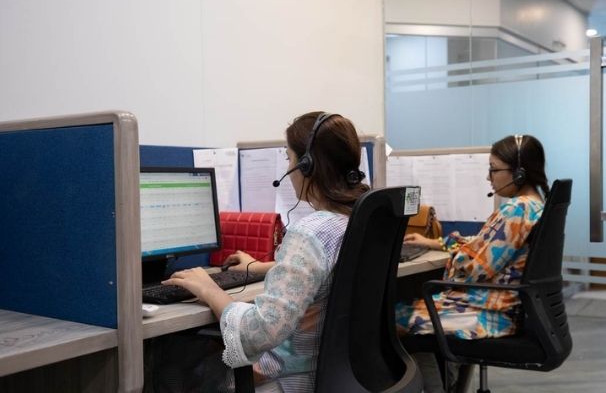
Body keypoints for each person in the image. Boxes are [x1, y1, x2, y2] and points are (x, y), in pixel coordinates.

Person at [161, 111, 369, 392]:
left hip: (291, 380)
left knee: (173, 363)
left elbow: (261, 331)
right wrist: (262, 267)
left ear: (306, 165)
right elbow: (330, 273)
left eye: (289, 158)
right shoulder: (358, 220)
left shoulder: (309, 232)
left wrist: (210, 289)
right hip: (345, 374)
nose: (289, 167)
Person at [396, 134, 548, 391]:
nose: (489, 177)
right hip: (503, 308)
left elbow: (473, 268)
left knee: (394, 319)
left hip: (488, 314)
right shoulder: (535, 205)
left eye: (493, 169)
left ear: (519, 174)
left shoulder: (516, 210)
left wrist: (456, 255)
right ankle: (448, 382)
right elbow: (486, 243)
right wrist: (434, 243)